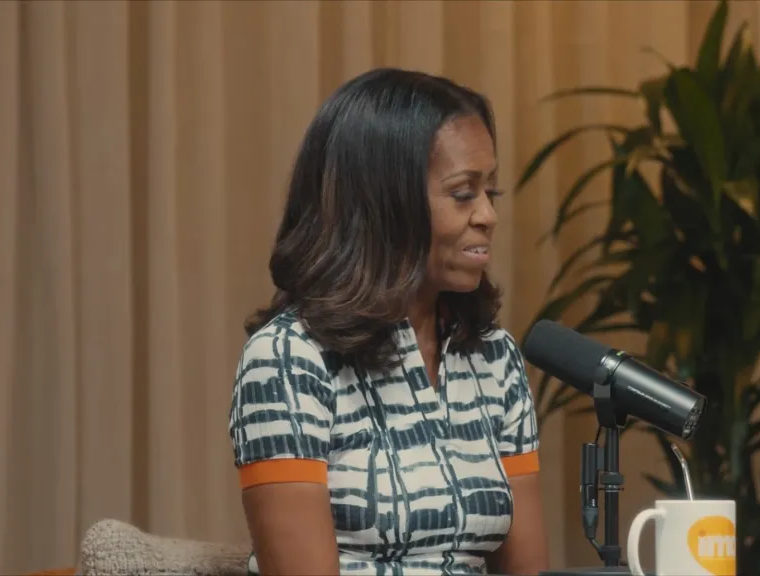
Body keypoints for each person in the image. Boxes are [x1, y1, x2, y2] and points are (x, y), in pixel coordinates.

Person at [227, 67, 550, 576]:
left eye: (492, 192)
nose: (488, 214)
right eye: (464, 193)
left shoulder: (495, 357)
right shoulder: (289, 360)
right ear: (384, 202)